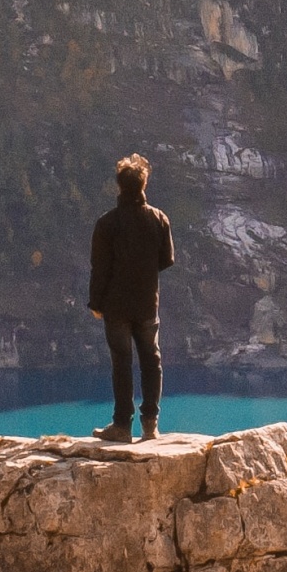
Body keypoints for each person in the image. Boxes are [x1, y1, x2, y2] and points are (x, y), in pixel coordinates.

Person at [88, 152, 174, 440]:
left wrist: (96, 303)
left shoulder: (107, 224)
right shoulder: (159, 219)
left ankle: (122, 426)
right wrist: (145, 272)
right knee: (152, 360)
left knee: (121, 363)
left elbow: (99, 268)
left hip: (116, 306)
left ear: (119, 187)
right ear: (144, 185)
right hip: (148, 304)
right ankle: (151, 425)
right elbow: (167, 259)